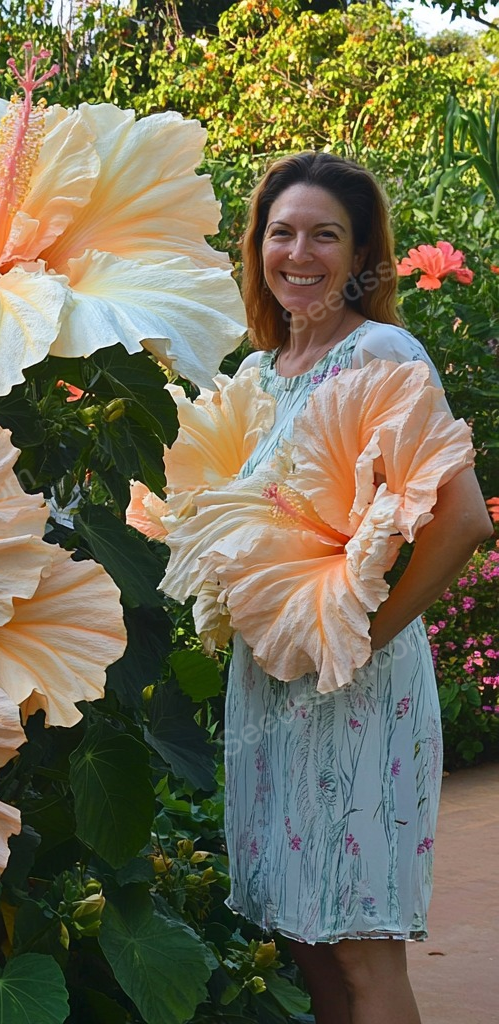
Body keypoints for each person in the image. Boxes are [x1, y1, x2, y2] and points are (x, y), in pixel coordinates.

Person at [225, 151, 494, 1024]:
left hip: (359, 685)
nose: (299, 254)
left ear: (360, 253)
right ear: (258, 247)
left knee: (361, 948)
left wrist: (364, 638)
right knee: (307, 942)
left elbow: (463, 519)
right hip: (271, 684)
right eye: (282, 233)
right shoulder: (258, 374)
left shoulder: (380, 353)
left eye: (325, 236)